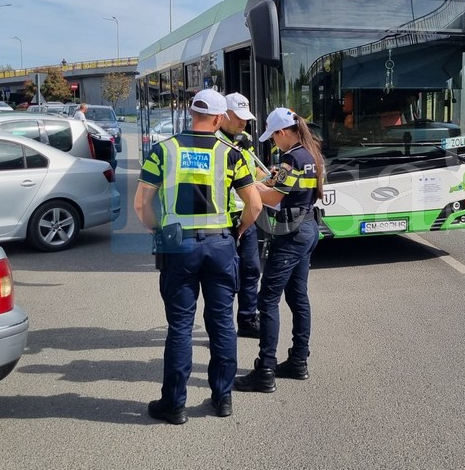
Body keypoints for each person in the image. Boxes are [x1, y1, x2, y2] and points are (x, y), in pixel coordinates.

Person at [133, 89, 263, 424]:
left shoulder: (163, 150)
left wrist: (157, 229)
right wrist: (237, 232)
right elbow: (256, 204)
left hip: (178, 246)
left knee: (179, 327)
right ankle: (222, 399)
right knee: (221, 325)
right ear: (220, 119)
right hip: (220, 246)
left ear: (191, 113)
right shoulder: (231, 153)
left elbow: (140, 204)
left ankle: (174, 405)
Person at [234, 108, 323, 392]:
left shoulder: (291, 157)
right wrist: (268, 181)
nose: (274, 142)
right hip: (308, 227)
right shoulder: (311, 153)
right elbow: (288, 187)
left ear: (283, 132)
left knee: (267, 300)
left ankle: (266, 370)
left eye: (274, 137)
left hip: (291, 233)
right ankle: (298, 360)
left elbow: (273, 196)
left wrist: (247, 186)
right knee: (298, 297)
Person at [218, 93, 268, 338]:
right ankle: (223, 327)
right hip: (224, 217)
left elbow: (251, 171)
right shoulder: (212, 141)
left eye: (246, 118)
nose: (243, 123)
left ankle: (248, 319)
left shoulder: (245, 138)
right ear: (223, 114)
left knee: (251, 268)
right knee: (224, 276)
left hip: (247, 213)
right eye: (238, 117)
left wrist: (271, 177)